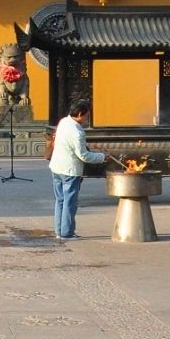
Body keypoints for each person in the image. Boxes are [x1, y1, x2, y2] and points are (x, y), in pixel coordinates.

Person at [48, 98, 106, 240]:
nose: (87, 119)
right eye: (87, 116)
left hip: (56, 167)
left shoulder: (63, 122)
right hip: (69, 170)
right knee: (70, 202)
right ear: (80, 114)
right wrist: (102, 157)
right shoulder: (77, 131)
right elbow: (83, 156)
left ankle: (59, 231)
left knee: (60, 200)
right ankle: (67, 233)